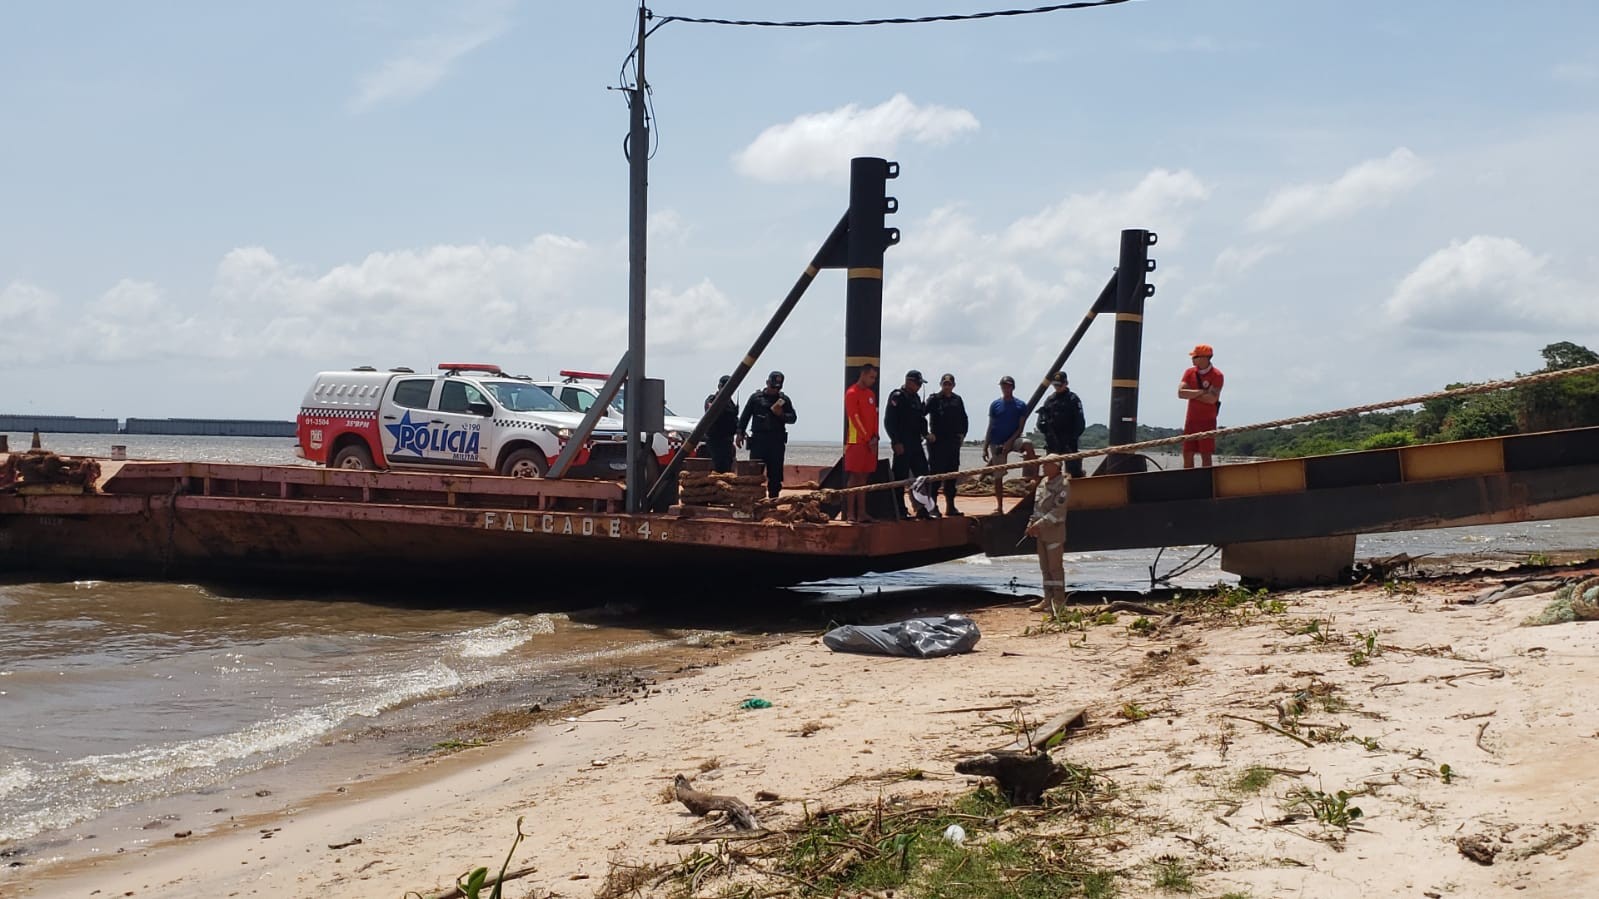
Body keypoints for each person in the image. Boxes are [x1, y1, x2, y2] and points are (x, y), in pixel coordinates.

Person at [885, 369, 937, 520]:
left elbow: (921, 420)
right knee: (900, 477)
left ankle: (922, 508)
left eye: (920, 384)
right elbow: (889, 421)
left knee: (922, 475)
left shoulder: (915, 398)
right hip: (902, 442)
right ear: (908, 381)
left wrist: (926, 434)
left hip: (915, 442)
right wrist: (895, 441)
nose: (919, 386)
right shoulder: (897, 396)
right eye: (917, 383)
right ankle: (900, 510)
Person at [739, 371, 797, 498]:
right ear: (767, 383)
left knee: (775, 475)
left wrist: (781, 415)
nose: (775, 390)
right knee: (754, 473)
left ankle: (773, 501)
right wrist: (739, 433)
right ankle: (753, 501)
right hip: (759, 441)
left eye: (778, 387)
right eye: (773, 386)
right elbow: (745, 417)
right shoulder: (756, 398)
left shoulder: (784, 400)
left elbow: (793, 418)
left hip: (776, 441)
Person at [1026, 458, 1071, 612]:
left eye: (1047, 465)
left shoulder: (1063, 485)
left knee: (1055, 567)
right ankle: (1047, 599)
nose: (1043, 467)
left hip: (1054, 532)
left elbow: (1058, 511)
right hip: (1041, 532)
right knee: (1045, 567)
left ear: (1056, 467)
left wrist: (1039, 524)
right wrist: (1031, 523)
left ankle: (1058, 601)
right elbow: (1037, 506)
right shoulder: (1043, 482)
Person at [924, 372, 968, 516]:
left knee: (951, 476)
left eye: (950, 384)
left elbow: (964, 418)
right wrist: (926, 434)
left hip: (953, 443)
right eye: (945, 384)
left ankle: (951, 506)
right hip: (937, 444)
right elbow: (920, 416)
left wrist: (962, 435)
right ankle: (932, 507)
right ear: (941, 384)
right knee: (936, 476)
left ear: (953, 385)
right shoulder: (934, 399)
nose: (947, 386)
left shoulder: (957, 399)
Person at [984, 375, 1029, 513]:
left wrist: (1009, 443)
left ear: (1013, 387)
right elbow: (990, 426)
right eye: (1003, 386)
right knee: (998, 476)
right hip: (996, 442)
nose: (1006, 388)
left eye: (1008, 386)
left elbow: (1020, 428)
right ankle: (1000, 506)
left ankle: (1031, 478)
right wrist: (985, 446)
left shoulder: (1021, 405)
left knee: (1028, 444)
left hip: (1014, 439)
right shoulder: (995, 405)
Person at [842, 363, 880, 523]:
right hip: (856, 441)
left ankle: (862, 512)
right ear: (863, 374)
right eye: (871, 377)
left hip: (870, 442)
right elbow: (854, 418)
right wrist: (866, 438)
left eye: (874, 378)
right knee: (854, 476)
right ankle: (851, 513)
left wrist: (875, 436)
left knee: (864, 477)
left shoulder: (871, 394)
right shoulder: (852, 393)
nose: (873, 380)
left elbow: (875, 416)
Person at [1178, 344, 1225, 469]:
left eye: (1195, 356)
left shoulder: (1217, 375)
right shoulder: (1189, 372)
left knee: (1206, 454)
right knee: (1187, 453)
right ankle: (1188, 480)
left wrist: (1191, 394)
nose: (1192, 359)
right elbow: (1181, 393)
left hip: (1208, 420)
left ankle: (1206, 481)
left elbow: (1212, 399)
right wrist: (1201, 392)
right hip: (1191, 420)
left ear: (1205, 358)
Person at [1038, 371, 1087, 478]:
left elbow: (1080, 422)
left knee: (1074, 472)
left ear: (1066, 383)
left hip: (1069, 440)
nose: (1057, 387)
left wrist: (1073, 438)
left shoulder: (1073, 399)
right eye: (1055, 385)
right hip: (1053, 441)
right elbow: (1042, 420)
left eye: (1059, 385)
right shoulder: (1050, 400)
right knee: (1051, 472)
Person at [701, 375, 740, 473]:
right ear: (720, 386)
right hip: (715, 440)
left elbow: (734, 419)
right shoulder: (712, 399)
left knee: (728, 468)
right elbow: (710, 409)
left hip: (728, 440)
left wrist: (741, 430)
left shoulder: (731, 403)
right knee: (718, 468)